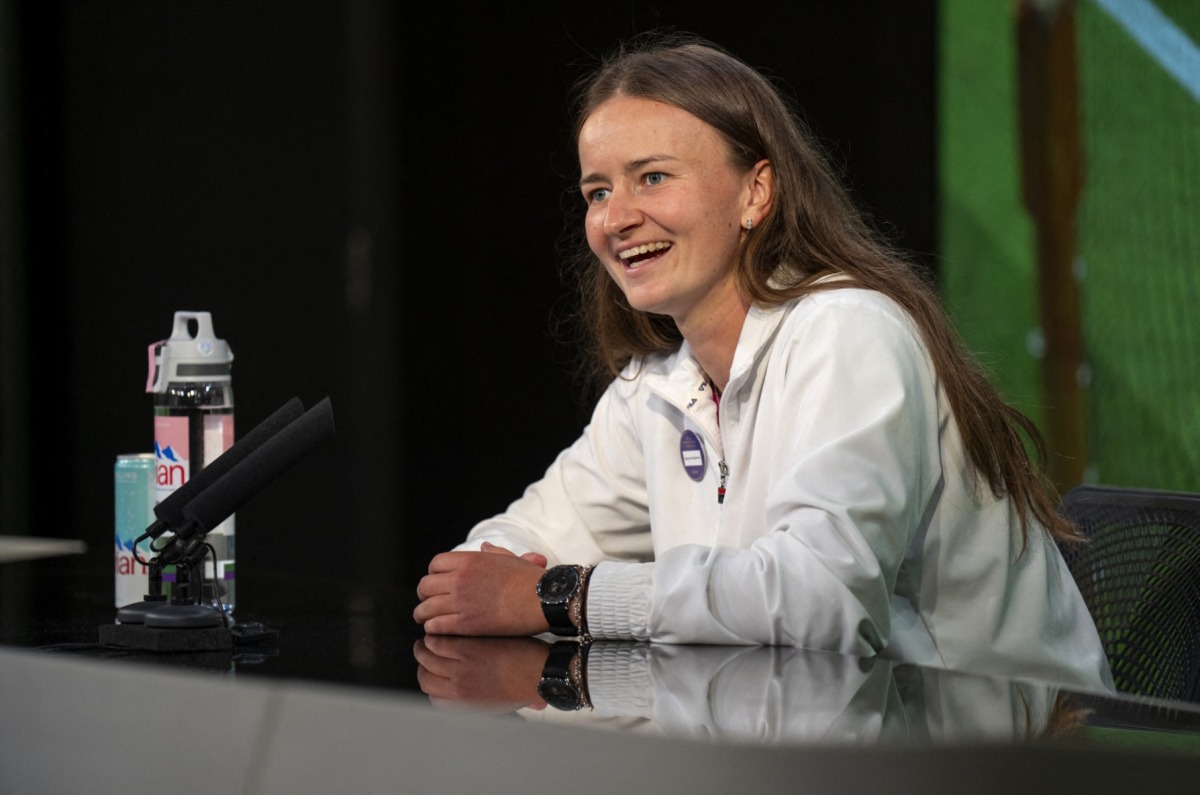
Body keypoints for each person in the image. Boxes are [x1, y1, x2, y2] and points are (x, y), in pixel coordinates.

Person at [414, 33, 1112, 692]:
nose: (615, 217)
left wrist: (559, 595)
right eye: (597, 191)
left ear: (756, 192)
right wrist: (507, 579)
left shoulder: (849, 333)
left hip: (1014, 757)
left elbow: (820, 603)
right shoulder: (655, 385)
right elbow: (505, 551)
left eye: (651, 178)